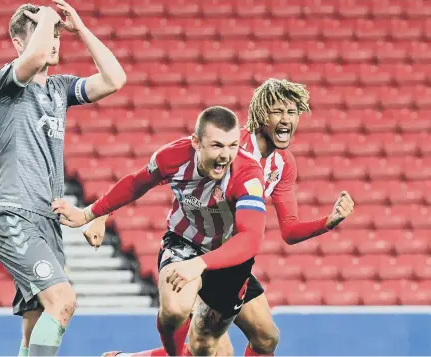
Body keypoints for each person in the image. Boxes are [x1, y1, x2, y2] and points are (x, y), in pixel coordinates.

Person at [84, 79, 356, 357]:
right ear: (262, 114)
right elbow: (152, 175)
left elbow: (289, 230)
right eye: (278, 111)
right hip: (189, 245)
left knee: (266, 339)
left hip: (229, 257)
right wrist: (103, 214)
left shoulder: (283, 165)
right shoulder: (229, 145)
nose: (285, 119)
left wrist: (327, 222)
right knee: (208, 347)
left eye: (292, 112)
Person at [53, 106, 270, 356]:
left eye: (233, 145)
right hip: (183, 243)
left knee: (263, 339)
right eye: (217, 146)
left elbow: (251, 238)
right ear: (196, 142)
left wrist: (200, 264)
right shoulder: (173, 157)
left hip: (226, 258)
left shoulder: (248, 174)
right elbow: (135, 184)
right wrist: (90, 213)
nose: (226, 155)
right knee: (176, 313)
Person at [0, 1, 126, 355]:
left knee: (35, 326)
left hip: (47, 221)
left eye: (57, 35)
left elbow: (114, 79)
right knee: (62, 300)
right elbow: (31, 62)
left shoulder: (59, 89)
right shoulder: (6, 83)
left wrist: (81, 30)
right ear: (19, 44)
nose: (54, 41)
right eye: (45, 35)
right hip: (13, 213)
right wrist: (47, 14)